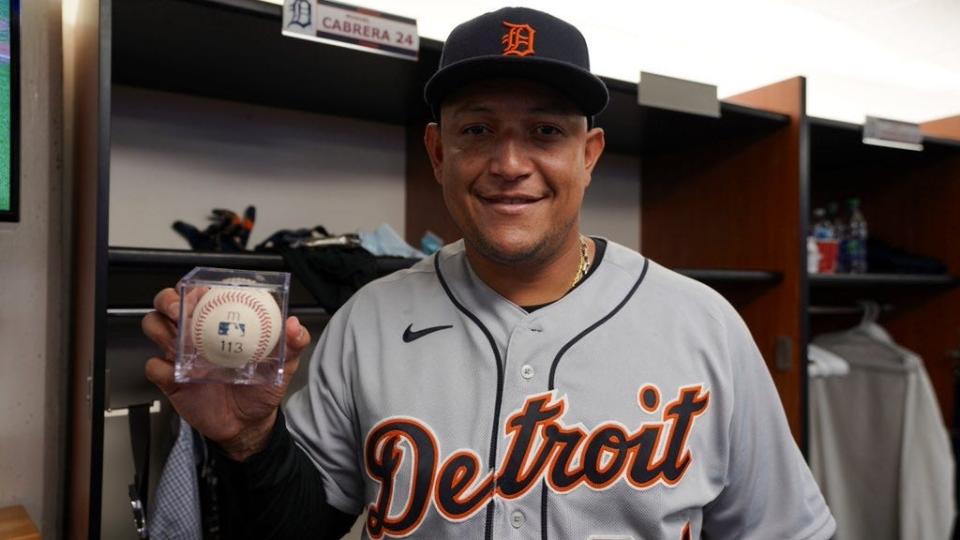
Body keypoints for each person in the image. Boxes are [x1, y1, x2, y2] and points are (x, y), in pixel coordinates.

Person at [143, 7, 835, 539]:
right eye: (477, 131)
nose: (509, 163)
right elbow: (297, 527)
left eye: (545, 132)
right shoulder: (368, 322)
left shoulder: (704, 324)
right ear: (438, 152)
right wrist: (246, 442)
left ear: (589, 154)